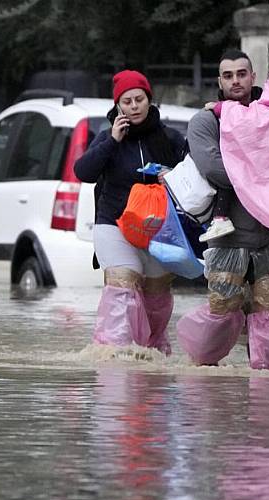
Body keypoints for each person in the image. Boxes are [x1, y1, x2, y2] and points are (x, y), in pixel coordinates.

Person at [177, 50, 269, 370]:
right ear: (219, 81)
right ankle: (200, 374)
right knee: (222, 311)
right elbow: (213, 167)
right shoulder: (205, 120)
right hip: (227, 236)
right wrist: (263, 175)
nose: (235, 81)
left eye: (241, 74)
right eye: (228, 76)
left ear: (253, 77)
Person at [74, 69, 185, 355]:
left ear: (149, 100)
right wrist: (112, 140)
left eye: (139, 99)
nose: (134, 106)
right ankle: (113, 353)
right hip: (114, 224)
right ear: (118, 106)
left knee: (156, 297)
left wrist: (172, 176)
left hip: (159, 228)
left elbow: (192, 178)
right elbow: (83, 171)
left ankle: (152, 351)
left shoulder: (170, 138)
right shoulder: (107, 138)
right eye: (127, 101)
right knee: (123, 284)